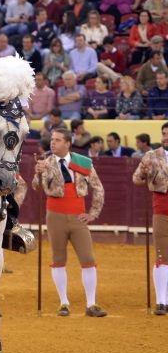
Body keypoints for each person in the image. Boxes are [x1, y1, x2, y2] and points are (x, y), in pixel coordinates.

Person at [32, 127, 107, 317]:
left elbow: (98, 188)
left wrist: (93, 213)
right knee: (58, 260)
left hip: (78, 216)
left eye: (57, 140)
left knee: (88, 259)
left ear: (67, 143)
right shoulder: (45, 163)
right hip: (55, 216)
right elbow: (36, 186)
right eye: (52, 140)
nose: (53, 143)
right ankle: (63, 303)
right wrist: (38, 173)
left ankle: (91, 304)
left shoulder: (82, 162)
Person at [132, 122, 168, 314]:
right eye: (164, 133)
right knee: (162, 255)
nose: (165, 137)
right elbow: (136, 179)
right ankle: (162, 301)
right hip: (162, 208)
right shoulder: (151, 156)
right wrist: (144, 171)